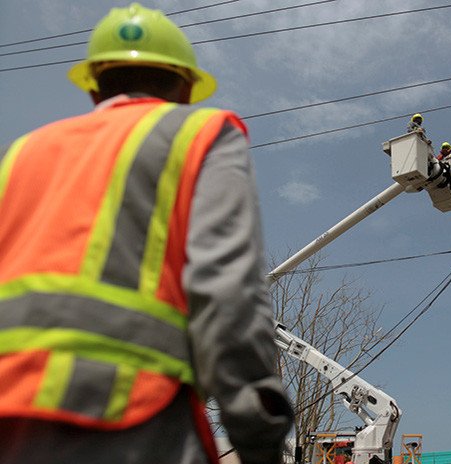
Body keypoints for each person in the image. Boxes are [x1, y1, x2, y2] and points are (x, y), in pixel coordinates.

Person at [0, 4, 293, 464]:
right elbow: (227, 293)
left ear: (95, 85)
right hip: (134, 416)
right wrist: (259, 435)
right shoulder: (201, 133)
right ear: (185, 86)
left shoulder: (20, 154)